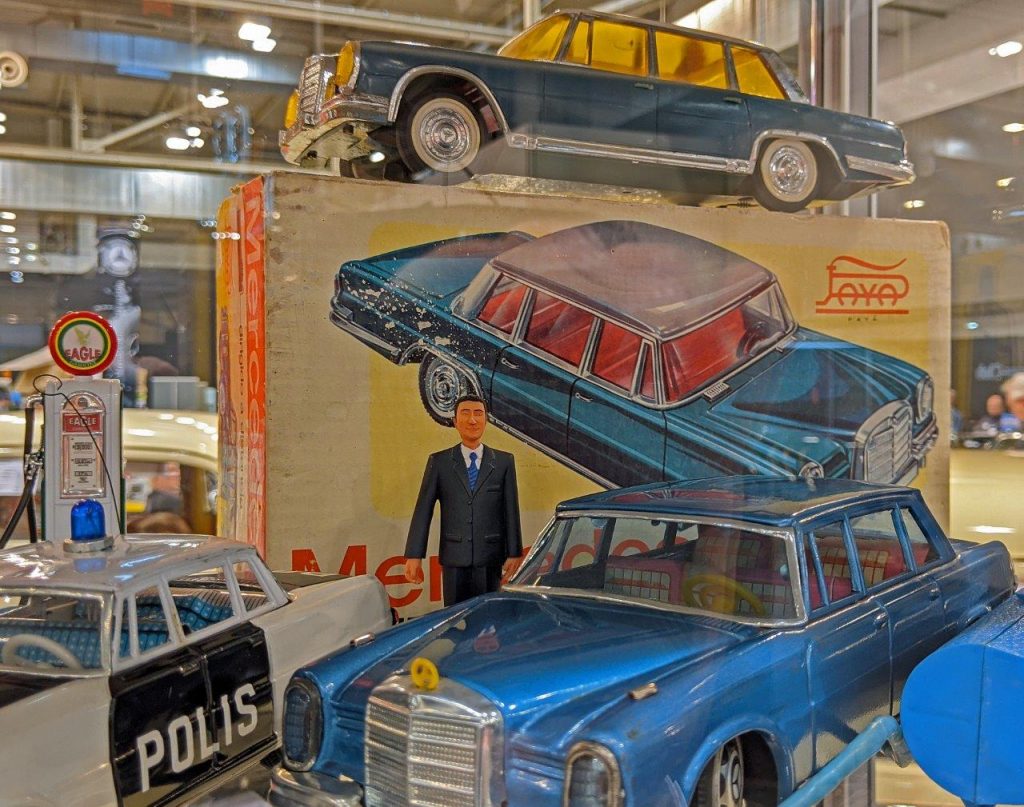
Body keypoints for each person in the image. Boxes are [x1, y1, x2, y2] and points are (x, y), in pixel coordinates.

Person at [404, 394, 523, 606]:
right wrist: (414, 555)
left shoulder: (503, 462)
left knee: (488, 616)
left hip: (490, 557)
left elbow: (511, 511)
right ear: (455, 421)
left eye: (478, 413)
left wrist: (514, 552)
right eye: (465, 413)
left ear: (486, 420)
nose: (472, 420)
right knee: (455, 616)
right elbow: (423, 510)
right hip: (454, 557)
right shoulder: (439, 462)